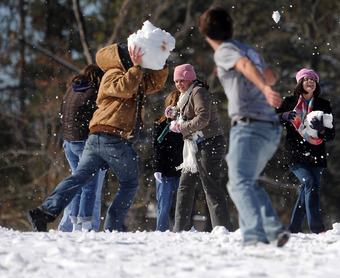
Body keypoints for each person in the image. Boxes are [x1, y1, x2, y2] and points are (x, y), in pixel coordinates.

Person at [27, 43, 169, 232]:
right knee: (129, 183)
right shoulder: (111, 74)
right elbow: (124, 88)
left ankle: (44, 212)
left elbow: (154, 83)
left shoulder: (132, 76)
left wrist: (161, 60)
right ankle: (113, 226)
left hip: (98, 139)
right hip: (112, 136)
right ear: (122, 59)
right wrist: (137, 67)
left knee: (80, 177)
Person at [198, 7, 289, 247]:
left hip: (249, 125)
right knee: (247, 181)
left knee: (238, 183)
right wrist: (263, 84)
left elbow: (249, 69)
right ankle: (273, 230)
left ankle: (255, 238)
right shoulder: (247, 48)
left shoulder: (225, 51)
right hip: (270, 127)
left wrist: (264, 89)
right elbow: (270, 75)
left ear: (205, 33)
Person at [166, 64, 232, 232]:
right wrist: (173, 115)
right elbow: (186, 115)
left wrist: (181, 127)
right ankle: (179, 229)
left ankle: (222, 228)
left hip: (209, 143)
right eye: (176, 81)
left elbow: (202, 118)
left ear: (190, 79)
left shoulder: (198, 92)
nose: (179, 84)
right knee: (185, 186)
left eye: (182, 80)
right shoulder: (185, 96)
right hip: (194, 146)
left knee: (210, 186)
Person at [277, 68, 335, 234]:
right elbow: (271, 119)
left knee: (307, 189)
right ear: (299, 83)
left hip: (317, 153)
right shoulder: (289, 102)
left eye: (313, 79)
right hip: (295, 152)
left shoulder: (323, 105)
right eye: (306, 79)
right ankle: (317, 228)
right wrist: (283, 116)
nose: (310, 82)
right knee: (310, 183)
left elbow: (331, 135)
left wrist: (322, 130)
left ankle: (294, 229)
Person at [57, 64, 107, 232]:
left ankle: (71, 225)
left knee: (77, 183)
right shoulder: (93, 92)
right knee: (90, 186)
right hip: (85, 142)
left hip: (69, 142)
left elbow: (62, 114)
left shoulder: (71, 90)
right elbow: (98, 119)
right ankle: (87, 226)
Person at [152, 91, 184, 231]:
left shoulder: (187, 123)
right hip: (165, 170)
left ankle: (180, 230)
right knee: (164, 205)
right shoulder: (161, 124)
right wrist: (157, 168)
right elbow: (157, 148)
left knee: (181, 205)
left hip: (183, 168)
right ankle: (161, 230)